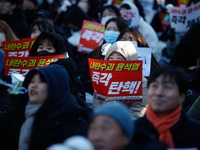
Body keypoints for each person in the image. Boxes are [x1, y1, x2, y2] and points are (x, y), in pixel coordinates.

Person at [0, 65, 89, 150]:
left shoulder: (72, 121)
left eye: (41, 81)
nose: (34, 85)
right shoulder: (19, 112)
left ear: (55, 86)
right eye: (32, 81)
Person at [133, 66, 200, 149]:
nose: (158, 93)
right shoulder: (133, 131)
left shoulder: (195, 132)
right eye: (154, 86)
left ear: (182, 97)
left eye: (167, 87)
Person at [93, 41, 148, 119]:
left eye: (119, 58)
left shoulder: (142, 82)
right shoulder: (101, 79)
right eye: (110, 58)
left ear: (130, 61)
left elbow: (138, 112)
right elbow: (96, 107)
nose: (114, 61)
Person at [80, 17, 128, 95]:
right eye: (108, 29)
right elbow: (84, 79)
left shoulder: (129, 53)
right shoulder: (95, 53)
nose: (111, 32)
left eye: (115, 30)